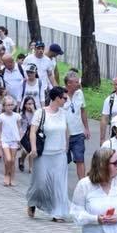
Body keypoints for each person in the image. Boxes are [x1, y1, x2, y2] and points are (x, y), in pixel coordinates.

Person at [27, 86, 71, 220]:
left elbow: (66, 131)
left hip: (59, 154)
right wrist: (33, 148)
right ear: (57, 98)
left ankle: (57, 212)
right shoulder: (40, 113)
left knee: (58, 184)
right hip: (43, 154)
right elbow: (32, 132)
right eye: (64, 98)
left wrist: (66, 147)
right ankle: (32, 201)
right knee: (40, 183)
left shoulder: (64, 113)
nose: (65, 100)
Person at [64, 71, 90, 179]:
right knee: (63, 161)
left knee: (80, 159)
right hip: (64, 135)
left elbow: (83, 110)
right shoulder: (61, 95)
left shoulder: (80, 93)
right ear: (68, 84)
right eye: (76, 82)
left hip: (78, 133)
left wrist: (86, 128)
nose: (78, 83)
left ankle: (82, 184)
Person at [0, 96, 22, 187]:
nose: (10, 107)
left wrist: (19, 139)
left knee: (13, 160)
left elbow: (19, 128)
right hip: (5, 140)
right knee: (8, 159)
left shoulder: (17, 116)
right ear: (4, 106)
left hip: (14, 140)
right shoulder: (0, 117)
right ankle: (6, 174)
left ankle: (12, 177)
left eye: (11, 105)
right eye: (8, 105)